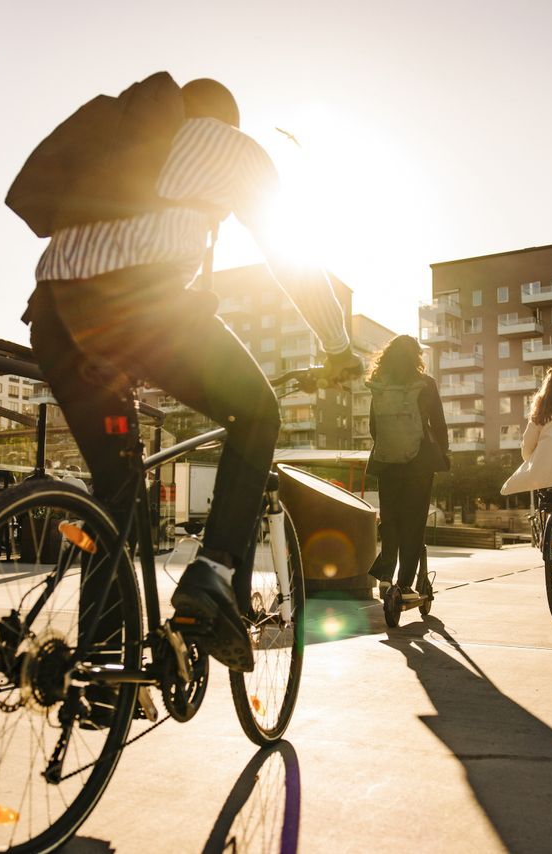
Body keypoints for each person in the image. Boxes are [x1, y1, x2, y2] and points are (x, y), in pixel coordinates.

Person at [24, 76, 362, 672]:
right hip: (137, 308)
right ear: (225, 120)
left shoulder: (127, 142)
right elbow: (292, 257)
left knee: (118, 483)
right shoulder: (232, 147)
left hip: (56, 316)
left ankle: (102, 675)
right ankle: (211, 575)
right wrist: (337, 345)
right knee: (258, 413)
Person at [364, 335, 449, 601]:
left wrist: (391, 446)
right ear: (416, 357)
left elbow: (373, 428)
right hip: (419, 464)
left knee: (391, 521)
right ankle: (404, 585)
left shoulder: (380, 386)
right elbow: (439, 424)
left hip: (387, 464)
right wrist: (442, 453)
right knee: (413, 524)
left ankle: (385, 577)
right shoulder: (426, 384)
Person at [500, 368, 552, 504]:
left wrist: (531, 460)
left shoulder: (543, 409)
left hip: (545, 471)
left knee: (547, 505)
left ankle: (550, 521)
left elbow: (528, 444)